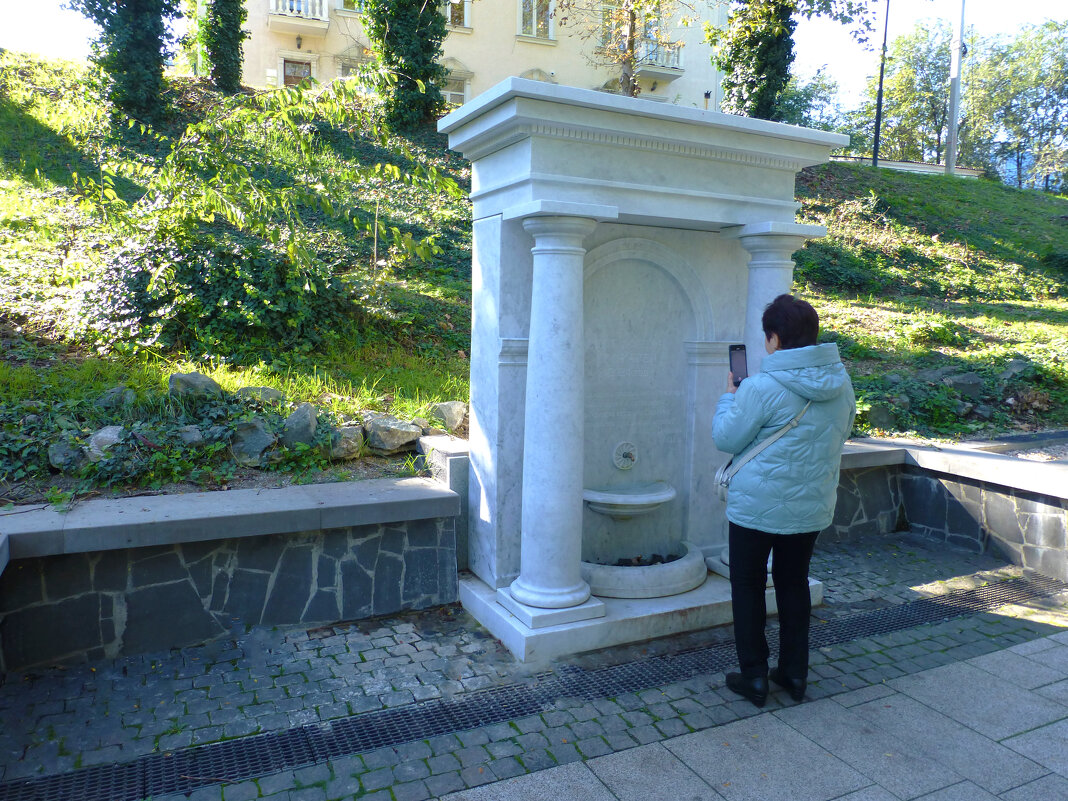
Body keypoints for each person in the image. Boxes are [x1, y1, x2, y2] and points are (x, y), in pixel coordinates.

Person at [712, 294, 855, 707]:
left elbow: (726, 438)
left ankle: (754, 675)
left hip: (755, 506)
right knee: (793, 584)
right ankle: (794, 674)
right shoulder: (841, 382)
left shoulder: (757, 386)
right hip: (810, 505)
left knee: (748, 585)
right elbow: (842, 431)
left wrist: (728, 397)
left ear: (773, 339)